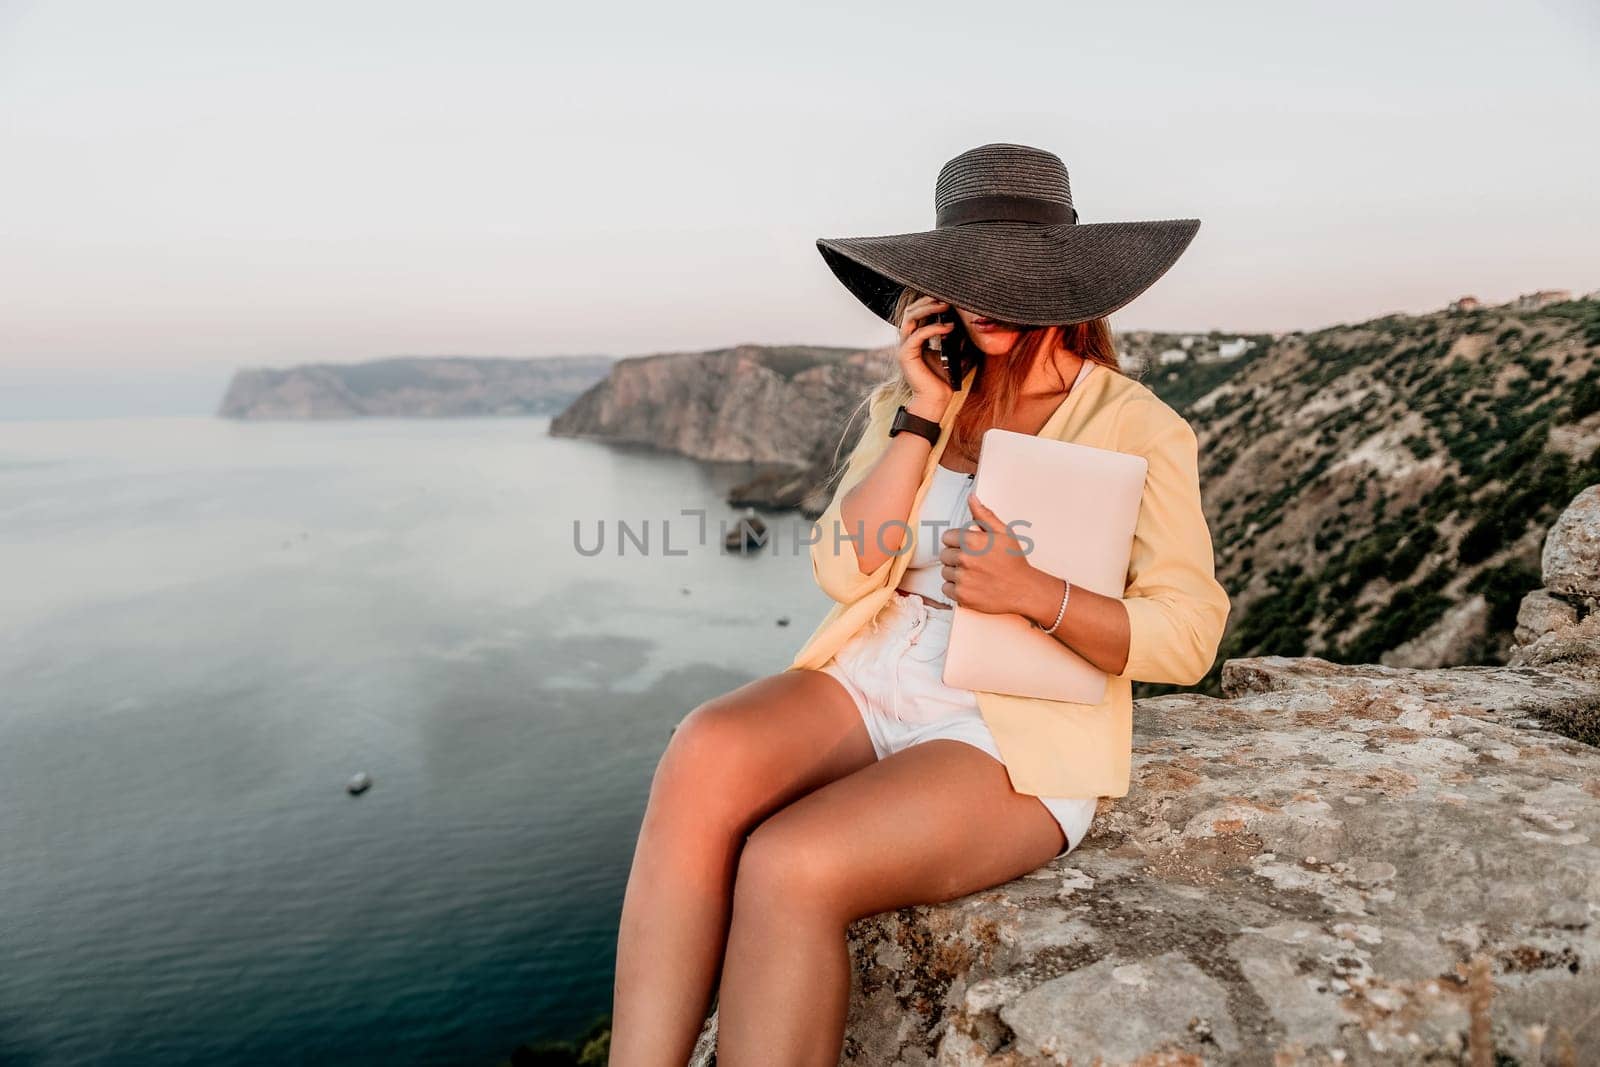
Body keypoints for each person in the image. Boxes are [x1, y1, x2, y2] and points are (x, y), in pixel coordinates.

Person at [610, 142, 1232, 1067]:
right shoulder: (910, 402)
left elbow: (1189, 635)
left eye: (1005, 275)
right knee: (701, 749)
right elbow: (842, 569)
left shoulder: (1138, 424)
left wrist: (1038, 594)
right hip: (872, 680)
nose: (980, 295)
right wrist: (921, 415)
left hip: (1008, 734)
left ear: (1065, 284)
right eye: (958, 274)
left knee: (790, 862)